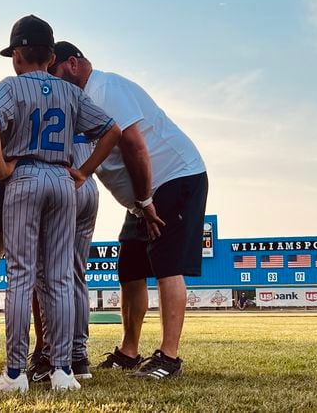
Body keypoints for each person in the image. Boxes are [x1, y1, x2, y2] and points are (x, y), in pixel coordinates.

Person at [48, 41, 208, 380]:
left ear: (73, 64)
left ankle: (169, 356)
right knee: (130, 267)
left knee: (167, 264)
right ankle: (129, 351)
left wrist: (147, 202)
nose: (52, 80)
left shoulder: (105, 89)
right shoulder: (79, 102)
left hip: (173, 176)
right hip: (143, 193)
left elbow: (135, 145)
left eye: (55, 72)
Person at [0, 15, 120, 392]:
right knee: (59, 277)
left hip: (24, 174)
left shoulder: (10, 85)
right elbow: (112, 131)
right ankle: (63, 370)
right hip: (62, 177)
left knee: (22, 275)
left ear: (17, 55)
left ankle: (14, 374)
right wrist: (85, 171)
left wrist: (0, 167)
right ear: (51, 54)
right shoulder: (70, 91)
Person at [29, 132, 100, 382]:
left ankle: (52, 355)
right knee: (76, 275)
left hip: (60, 180)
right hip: (88, 183)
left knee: (49, 276)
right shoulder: (81, 99)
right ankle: (79, 357)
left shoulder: (41, 94)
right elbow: (112, 132)